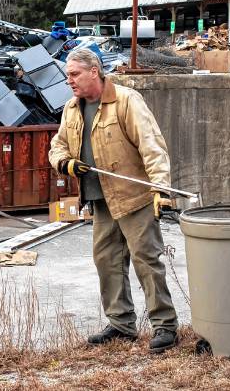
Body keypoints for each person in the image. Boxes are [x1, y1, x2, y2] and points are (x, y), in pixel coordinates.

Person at [49, 48, 179, 353]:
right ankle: (121, 324)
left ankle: (165, 326)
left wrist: (161, 189)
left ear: (94, 71)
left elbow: (152, 146)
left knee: (146, 260)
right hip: (100, 201)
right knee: (107, 261)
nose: (69, 81)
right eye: (68, 75)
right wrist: (65, 162)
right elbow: (57, 146)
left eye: (74, 74)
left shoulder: (126, 101)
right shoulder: (71, 109)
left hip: (134, 199)